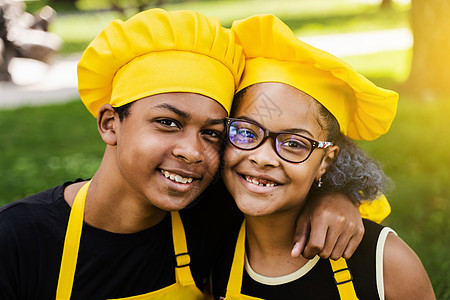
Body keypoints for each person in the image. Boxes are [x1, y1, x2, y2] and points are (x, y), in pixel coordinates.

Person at [0, 8, 372, 299]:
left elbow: (283, 182)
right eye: (168, 123)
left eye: (212, 133)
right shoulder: (17, 241)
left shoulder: (213, 217)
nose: (193, 152)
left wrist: (336, 194)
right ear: (110, 124)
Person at [211, 14, 435, 299]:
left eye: (294, 143)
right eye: (246, 132)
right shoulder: (212, 245)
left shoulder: (385, 263)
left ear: (326, 160)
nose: (262, 157)